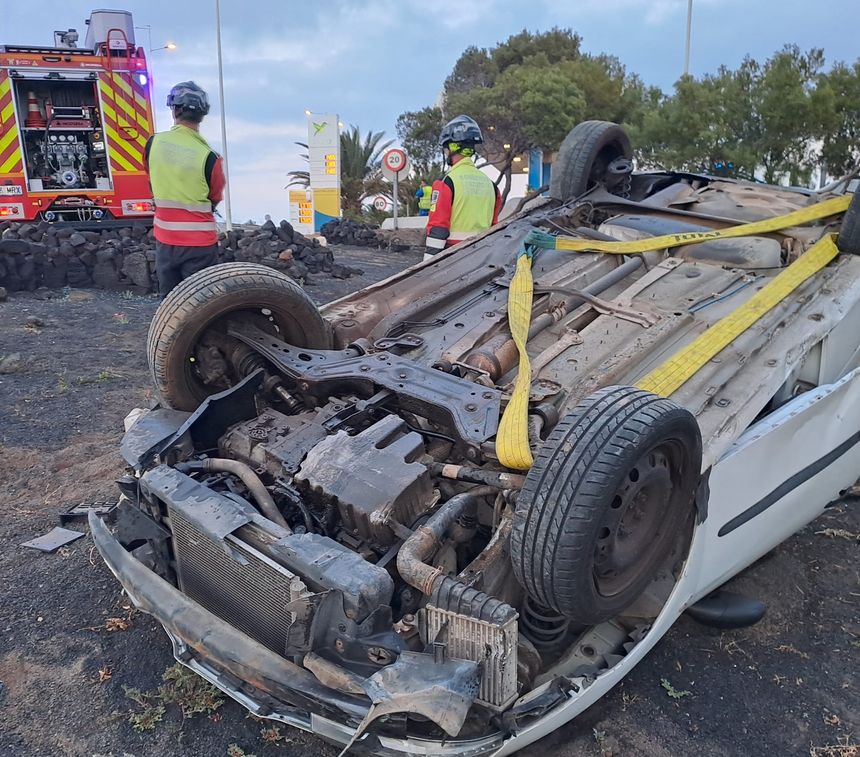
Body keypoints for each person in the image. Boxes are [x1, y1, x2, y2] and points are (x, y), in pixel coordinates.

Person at [144, 81, 225, 295]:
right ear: (202, 115)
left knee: (171, 304)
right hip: (200, 244)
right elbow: (215, 196)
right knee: (201, 305)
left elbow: (151, 180)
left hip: (166, 240)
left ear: (175, 110)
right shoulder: (210, 157)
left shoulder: (154, 144)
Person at [424, 115, 501, 261]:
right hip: (482, 257)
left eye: (446, 148)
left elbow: (438, 229)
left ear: (452, 147)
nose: (445, 152)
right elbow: (494, 226)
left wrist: (426, 267)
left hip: (452, 257)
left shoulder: (445, 182)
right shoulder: (491, 185)